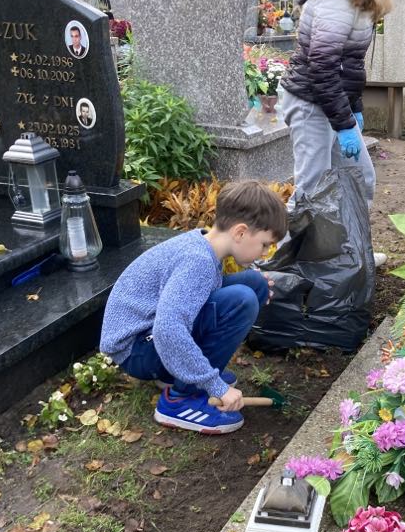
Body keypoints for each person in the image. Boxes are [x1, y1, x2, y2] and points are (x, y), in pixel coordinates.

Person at [100, 181, 287, 434]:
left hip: (150, 337)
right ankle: (180, 399)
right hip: (138, 349)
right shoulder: (197, 261)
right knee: (242, 300)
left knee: (254, 284)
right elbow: (168, 329)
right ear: (241, 233)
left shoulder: (205, 245)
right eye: (264, 244)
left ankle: (179, 373)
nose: (265, 253)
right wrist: (214, 385)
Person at [278, 0, 403, 267]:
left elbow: (348, 64)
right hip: (310, 103)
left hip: (332, 105)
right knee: (311, 189)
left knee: (359, 178)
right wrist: (345, 124)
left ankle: (348, 257)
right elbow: (322, 68)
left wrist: (355, 108)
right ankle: (281, 267)